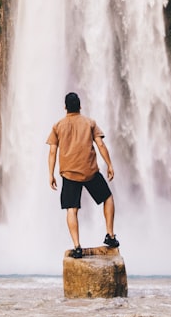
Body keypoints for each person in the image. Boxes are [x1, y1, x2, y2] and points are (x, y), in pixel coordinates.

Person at [47, 91, 119, 258]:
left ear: (65, 107)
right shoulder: (89, 122)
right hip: (90, 171)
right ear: (80, 106)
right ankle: (110, 235)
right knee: (107, 198)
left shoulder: (58, 126)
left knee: (72, 209)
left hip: (69, 173)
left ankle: (77, 247)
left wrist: (51, 174)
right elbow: (100, 144)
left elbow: (52, 152)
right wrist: (109, 165)